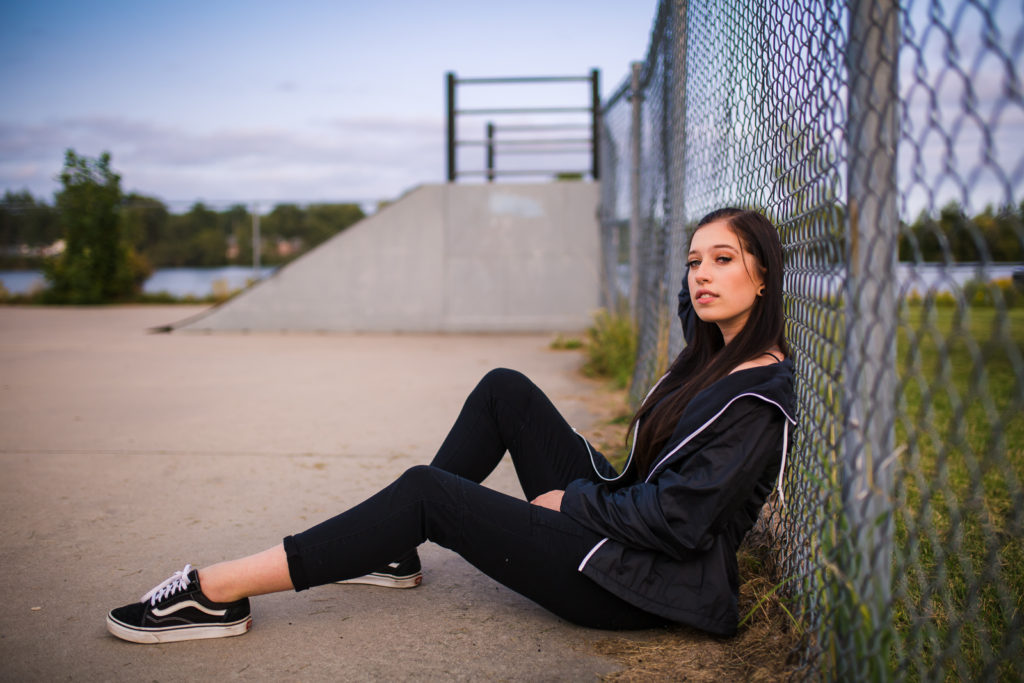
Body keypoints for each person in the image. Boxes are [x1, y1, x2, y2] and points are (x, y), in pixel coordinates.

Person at [106, 207, 796, 644]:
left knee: (429, 492)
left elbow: (680, 520)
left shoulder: (756, 400)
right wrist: (708, 256)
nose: (702, 275)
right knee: (506, 391)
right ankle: (392, 546)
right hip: (619, 526)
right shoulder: (717, 350)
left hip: (635, 579)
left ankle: (218, 590)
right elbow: (693, 300)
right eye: (695, 260)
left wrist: (574, 501)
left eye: (724, 259)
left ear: (764, 276)